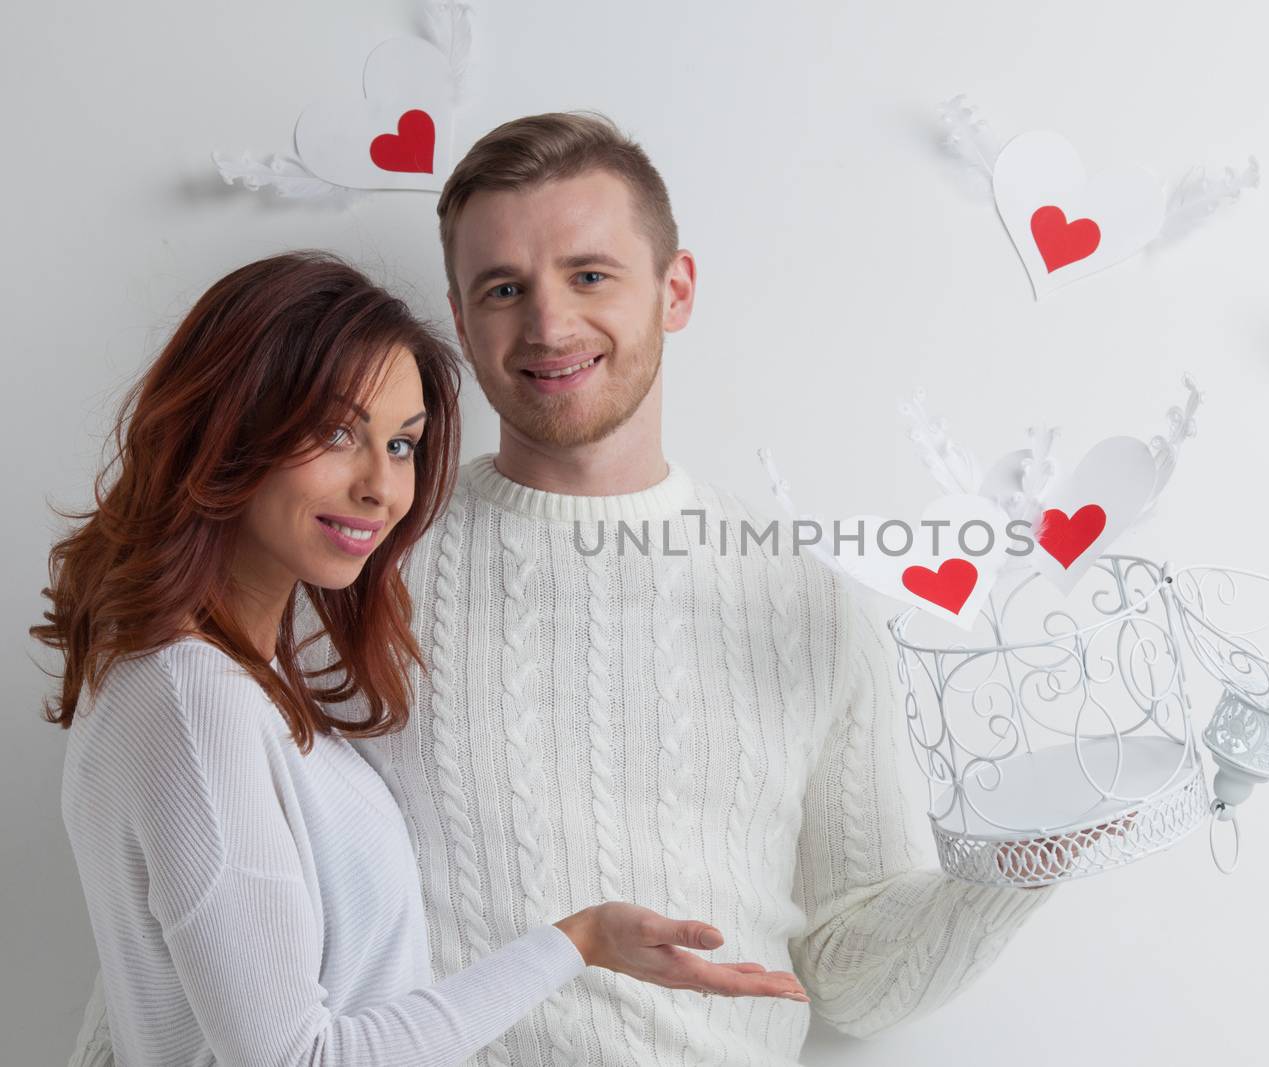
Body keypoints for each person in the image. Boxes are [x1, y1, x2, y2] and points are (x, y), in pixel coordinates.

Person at [68, 112, 1056, 1067]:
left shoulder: (805, 605)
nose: (547, 322)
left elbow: (850, 980)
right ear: (459, 315)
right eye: (503, 287)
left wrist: (1028, 859)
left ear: (676, 290)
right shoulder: (349, 569)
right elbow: (197, 922)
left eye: (590, 273)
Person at [37, 252, 806, 1067]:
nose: (381, 487)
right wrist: (572, 942)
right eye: (337, 432)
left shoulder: (222, 681)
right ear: (228, 429)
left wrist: (585, 939)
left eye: (402, 444)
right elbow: (300, 1059)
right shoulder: (194, 698)